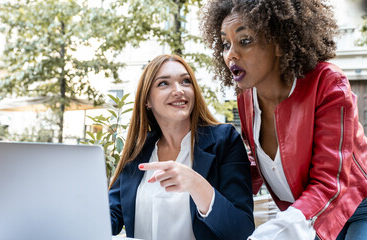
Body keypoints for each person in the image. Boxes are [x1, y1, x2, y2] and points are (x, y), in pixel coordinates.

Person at [200, 0, 367, 240]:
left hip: (357, 206)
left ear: (279, 43)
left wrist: (278, 228)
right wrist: (205, 180)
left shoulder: (328, 84)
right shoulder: (246, 96)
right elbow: (266, 162)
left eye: (244, 40)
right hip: (307, 210)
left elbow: (329, 182)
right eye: (226, 44)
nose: (230, 54)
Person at [108, 54, 254, 240]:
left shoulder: (224, 140)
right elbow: (108, 219)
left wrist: (195, 184)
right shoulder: (139, 150)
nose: (179, 90)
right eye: (163, 83)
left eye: (185, 81)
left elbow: (242, 231)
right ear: (147, 101)